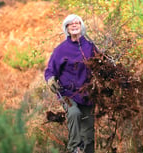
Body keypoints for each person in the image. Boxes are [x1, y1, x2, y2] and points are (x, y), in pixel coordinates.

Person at [44, 14, 97, 153]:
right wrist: (50, 80)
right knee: (73, 113)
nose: (74, 25)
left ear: (81, 26)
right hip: (67, 93)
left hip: (87, 94)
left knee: (89, 136)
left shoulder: (90, 47)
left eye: (77, 23)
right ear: (66, 28)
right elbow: (50, 70)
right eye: (70, 24)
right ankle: (74, 148)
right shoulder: (61, 49)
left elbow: (101, 66)